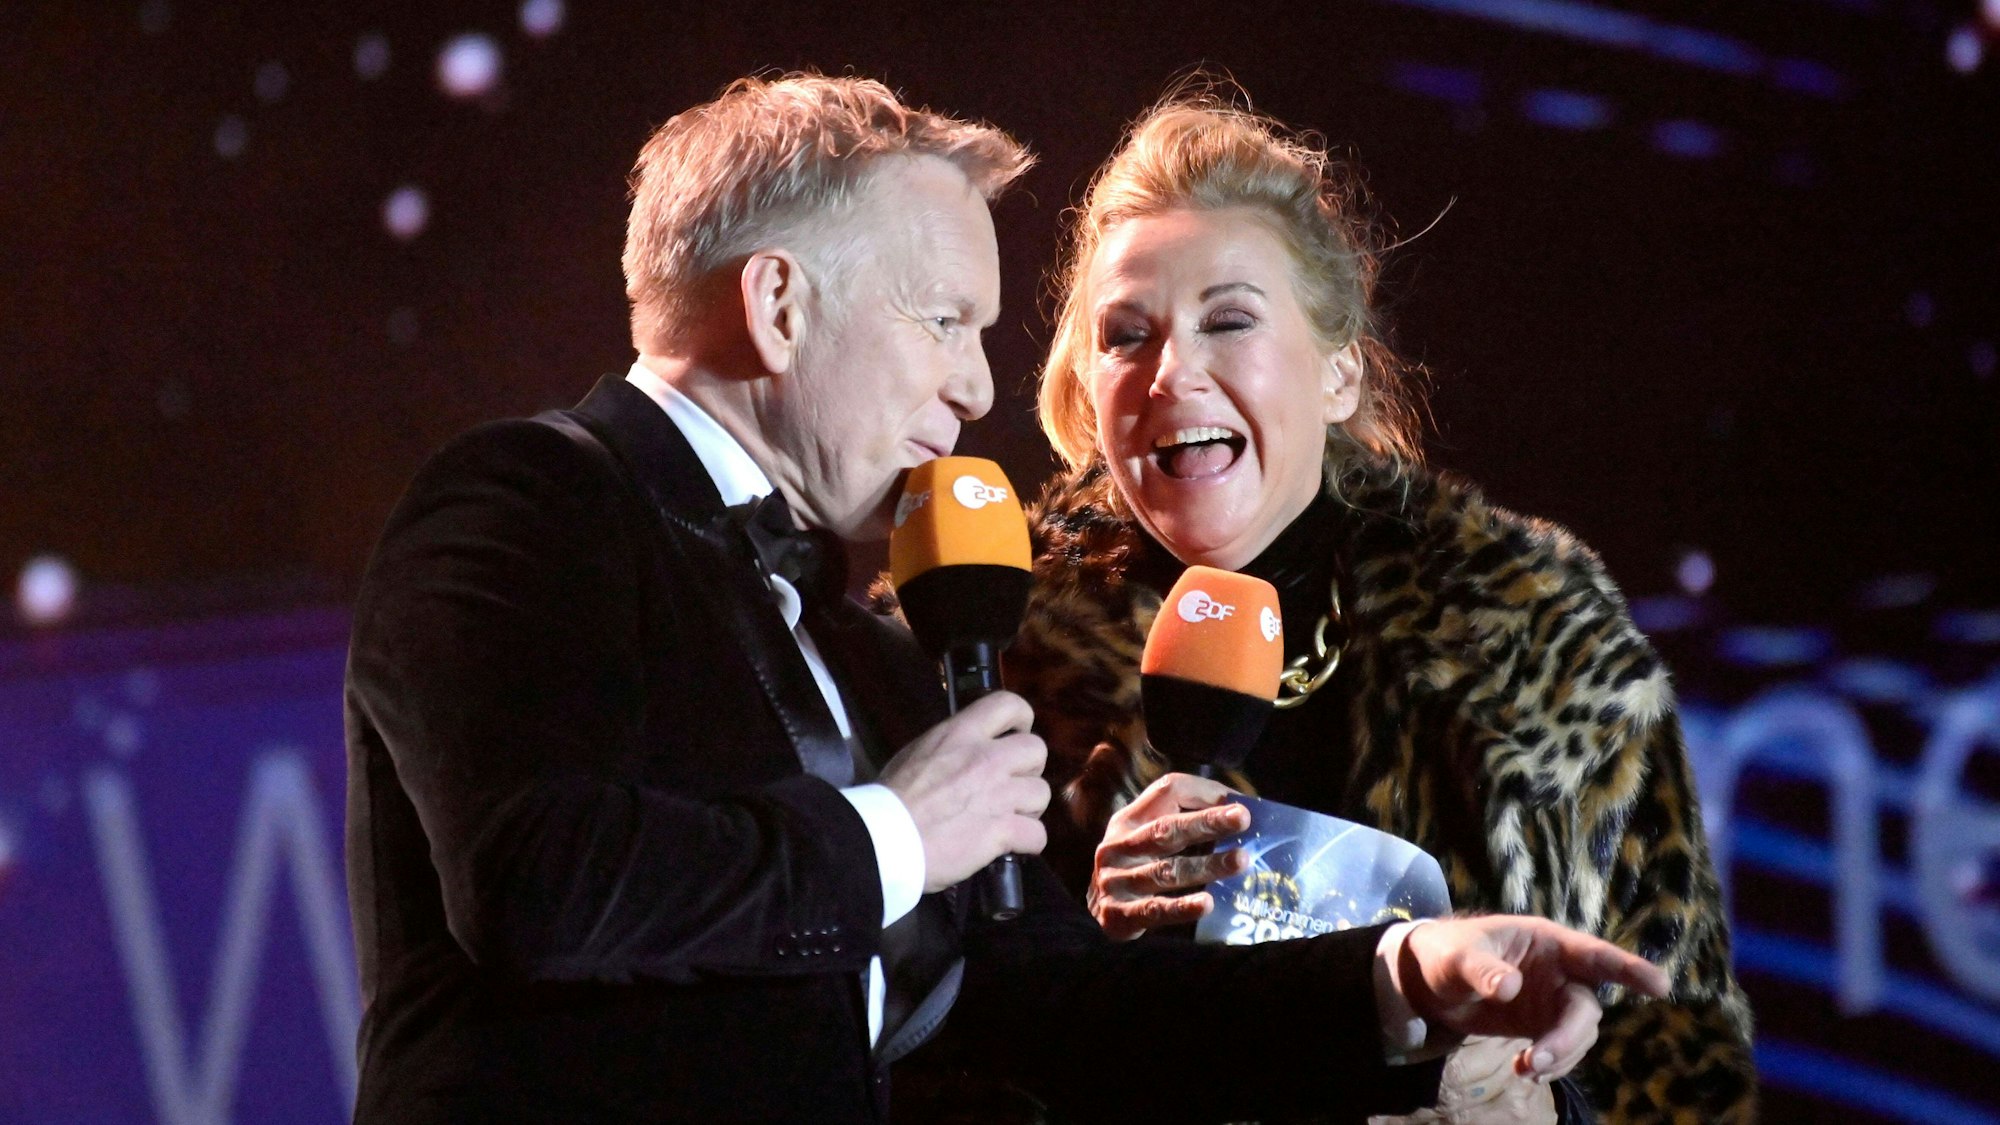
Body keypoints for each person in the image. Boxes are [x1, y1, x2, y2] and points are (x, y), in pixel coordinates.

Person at [344, 72, 1670, 1124]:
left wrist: (1401, 978)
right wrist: (896, 833)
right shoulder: (527, 500)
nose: (979, 387)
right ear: (779, 304)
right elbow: (540, 885)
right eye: (943, 321)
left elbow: (1051, 1006)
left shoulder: (870, 648)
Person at [1008, 88, 1757, 1124]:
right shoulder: (985, 663)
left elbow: (1677, 1068)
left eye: (1229, 319)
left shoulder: (1537, 634)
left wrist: (1541, 1112)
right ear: (1086, 396)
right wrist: (1091, 952)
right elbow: (935, 1059)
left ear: (1338, 373)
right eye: (1126, 337)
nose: (1171, 372)